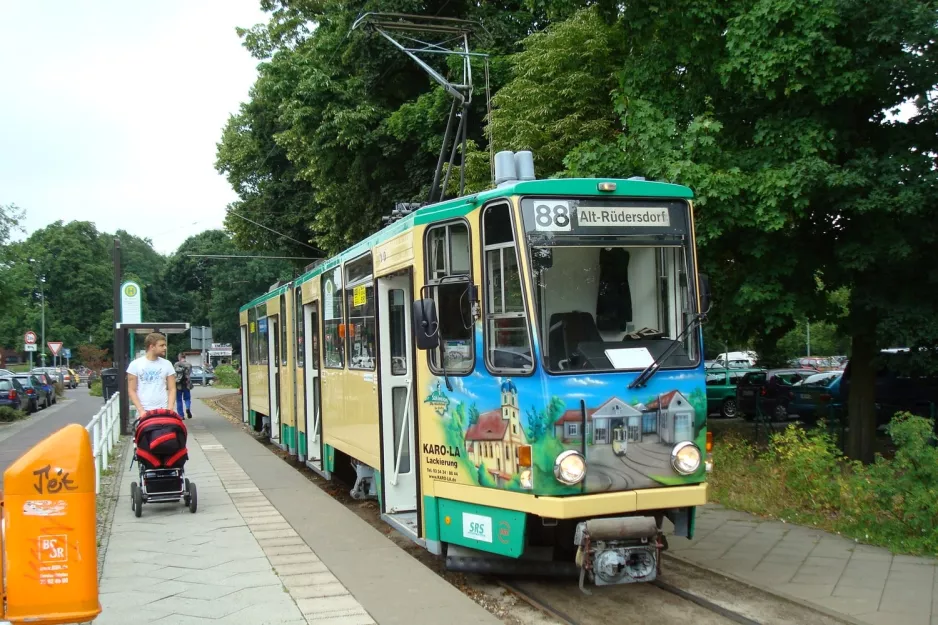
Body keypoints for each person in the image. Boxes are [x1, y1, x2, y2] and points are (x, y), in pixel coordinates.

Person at [127, 332, 177, 417]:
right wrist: (141, 410)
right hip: (144, 412)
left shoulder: (167, 364)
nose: (165, 348)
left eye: (165, 345)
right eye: (161, 345)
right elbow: (131, 390)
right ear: (152, 347)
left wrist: (170, 408)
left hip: (163, 410)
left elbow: (172, 389)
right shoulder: (135, 364)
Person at [174, 353, 193, 419]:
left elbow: (174, 374)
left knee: (179, 400)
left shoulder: (176, 364)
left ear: (179, 357)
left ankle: (181, 415)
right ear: (185, 357)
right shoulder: (189, 364)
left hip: (178, 384)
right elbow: (190, 373)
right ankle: (187, 408)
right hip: (186, 384)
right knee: (187, 398)